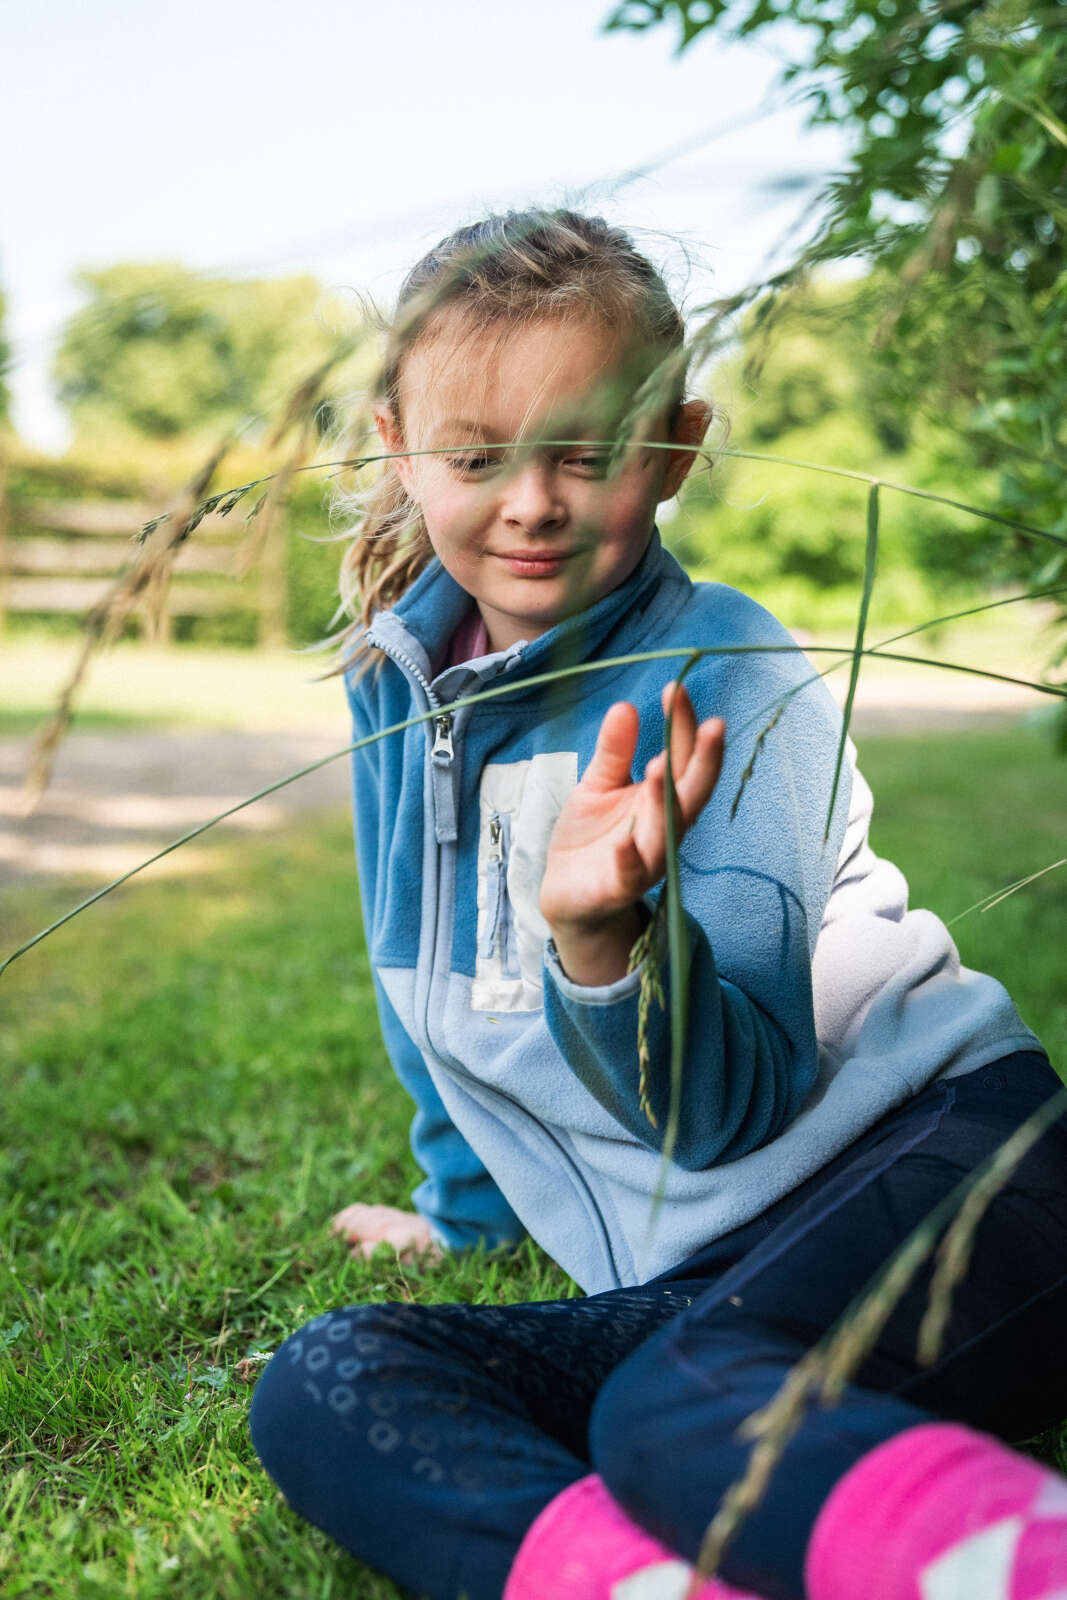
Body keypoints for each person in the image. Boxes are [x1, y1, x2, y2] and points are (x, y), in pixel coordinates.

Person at [249, 209, 1067, 1600]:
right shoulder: (398, 681)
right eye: (476, 457)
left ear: (676, 450)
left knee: (678, 1407)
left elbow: (734, 1110)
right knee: (327, 1376)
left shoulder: (730, 673)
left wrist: (606, 940)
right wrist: (465, 1213)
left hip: (957, 1171)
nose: (532, 502)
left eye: (588, 452)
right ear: (396, 443)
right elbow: (432, 991)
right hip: (712, 1276)